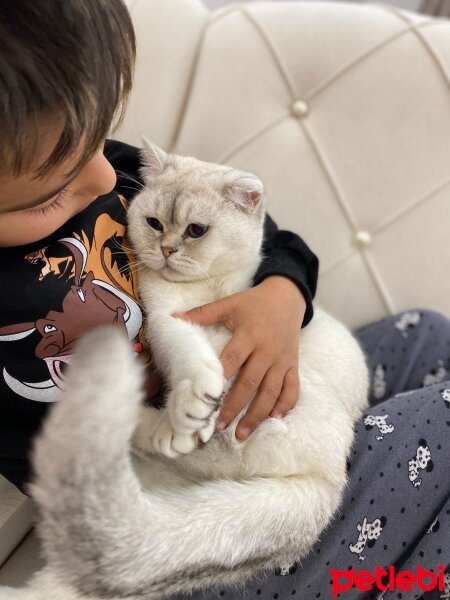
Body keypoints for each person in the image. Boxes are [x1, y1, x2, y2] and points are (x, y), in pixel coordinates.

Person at [0, 2, 448, 599]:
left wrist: (281, 298)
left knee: (426, 333)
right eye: (53, 192)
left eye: (98, 139)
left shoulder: (86, 158)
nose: (106, 179)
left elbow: (270, 236)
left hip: (271, 400)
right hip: (197, 502)